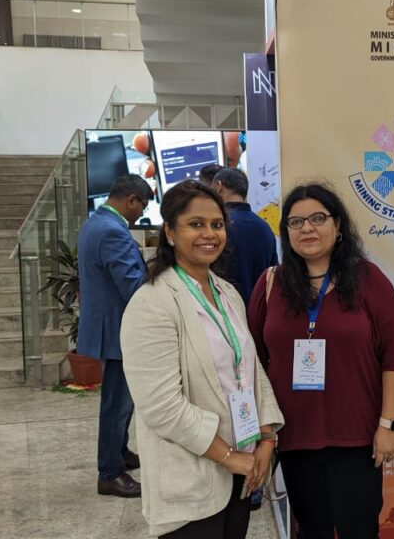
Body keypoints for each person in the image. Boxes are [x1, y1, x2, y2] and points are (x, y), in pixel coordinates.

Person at [248, 183, 394, 539]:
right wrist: (262, 433)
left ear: (337, 226)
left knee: (360, 531)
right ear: (286, 232)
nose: (307, 228)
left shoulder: (369, 280)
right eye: (296, 222)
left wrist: (390, 425)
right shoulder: (271, 284)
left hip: (357, 439)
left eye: (318, 218)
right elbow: (253, 362)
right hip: (293, 438)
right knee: (312, 532)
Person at [121, 180, 284, 539]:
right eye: (195, 224)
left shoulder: (227, 293)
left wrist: (266, 440)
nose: (209, 234)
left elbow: (250, 370)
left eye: (217, 224)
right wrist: (229, 457)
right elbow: (162, 407)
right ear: (169, 232)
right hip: (192, 479)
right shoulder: (152, 303)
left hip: (242, 470)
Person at [77, 174, 153, 498]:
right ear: (131, 200)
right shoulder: (112, 231)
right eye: (142, 207)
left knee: (120, 399)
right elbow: (132, 285)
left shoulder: (96, 223)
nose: (141, 214)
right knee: (117, 403)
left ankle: (119, 451)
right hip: (118, 327)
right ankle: (109, 473)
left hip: (109, 324)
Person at [213, 167, 278, 305]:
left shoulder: (218, 227)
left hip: (226, 309)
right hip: (260, 310)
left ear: (218, 186)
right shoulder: (265, 228)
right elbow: (274, 276)